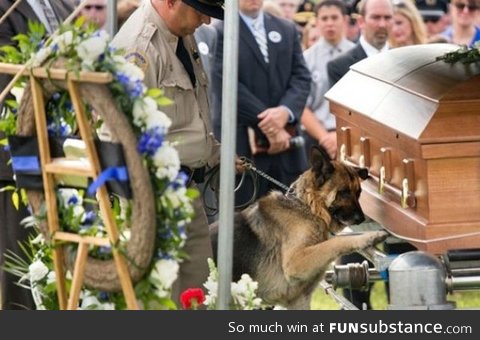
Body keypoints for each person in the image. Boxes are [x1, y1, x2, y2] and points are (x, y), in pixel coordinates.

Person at [111, 0, 223, 308]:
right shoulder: (140, 46)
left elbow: (186, 119)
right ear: (171, 1)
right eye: (201, 10)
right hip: (152, 200)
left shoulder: (179, 34)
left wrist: (216, 154)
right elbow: (117, 134)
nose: (207, 21)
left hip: (184, 192)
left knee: (199, 295)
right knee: (163, 301)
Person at [0, 0, 74, 310]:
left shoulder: (60, 5)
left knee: (54, 270)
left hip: (58, 155)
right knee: (23, 269)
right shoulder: (6, 11)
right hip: (19, 158)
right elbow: (9, 84)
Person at [327, 0, 393, 309]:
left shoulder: (401, 61)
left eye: (387, 18)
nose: (382, 23)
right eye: (376, 17)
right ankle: (359, 312)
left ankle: (405, 308)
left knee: (400, 247)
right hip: (359, 167)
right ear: (361, 21)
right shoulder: (342, 64)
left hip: (396, 171)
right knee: (357, 246)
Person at [212, 0, 311, 206]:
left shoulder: (286, 28)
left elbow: (301, 77)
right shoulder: (220, 32)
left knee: (295, 218)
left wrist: (285, 112)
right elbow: (225, 82)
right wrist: (271, 124)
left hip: (288, 148)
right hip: (245, 149)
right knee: (246, 225)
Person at [301, 0, 355, 159]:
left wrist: (341, 137)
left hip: (354, 137)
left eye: (334, 17)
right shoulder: (306, 58)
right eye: (324, 19)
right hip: (317, 138)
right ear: (317, 22)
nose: (329, 23)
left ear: (344, 20)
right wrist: (326, 138)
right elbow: (302, 106)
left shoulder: (357, 55)